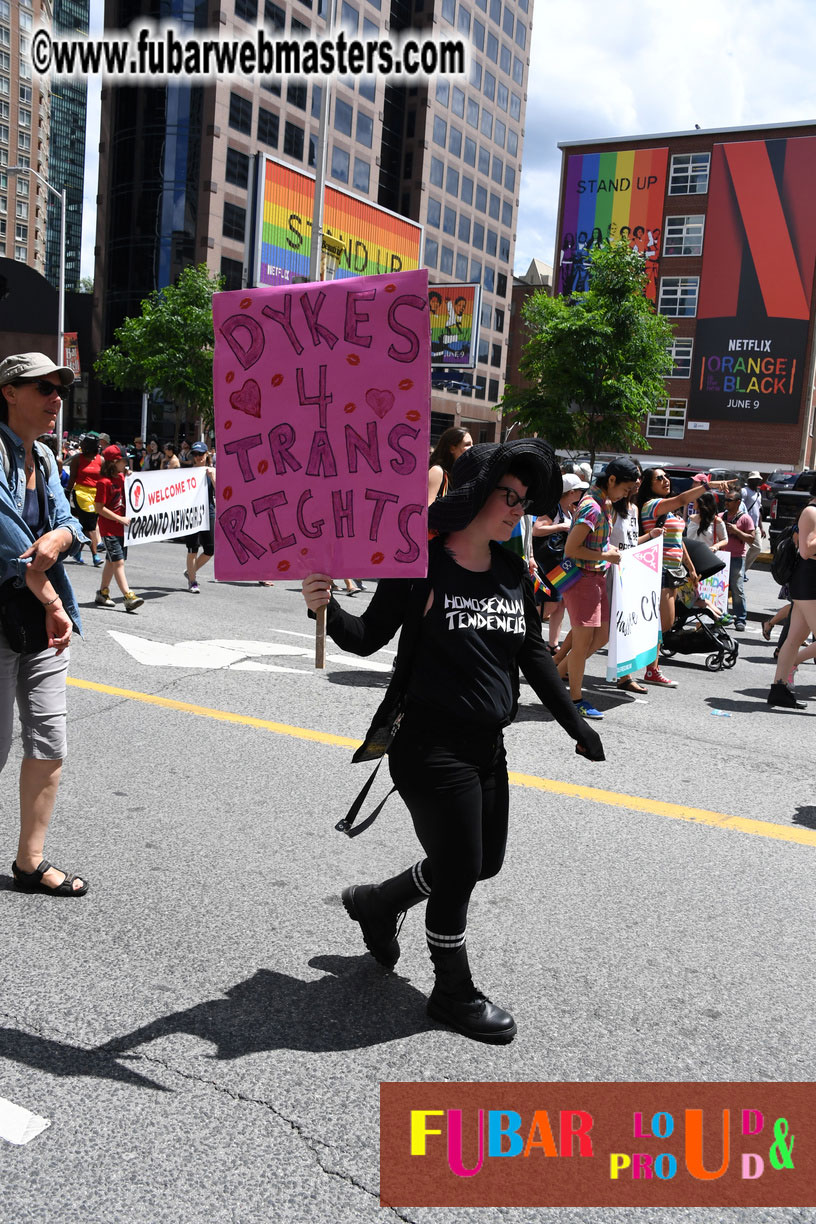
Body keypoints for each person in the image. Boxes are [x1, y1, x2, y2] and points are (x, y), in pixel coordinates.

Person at [301, 439, 604, 1044]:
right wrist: (325, 609)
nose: (517, 509)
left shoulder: (512, 572)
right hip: (428, 747)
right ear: (475, 494)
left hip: (487, 746)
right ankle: (452, 991)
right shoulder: (419, 566)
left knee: (482, 862)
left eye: (524, 500)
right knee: (460, 870)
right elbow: (366, 637)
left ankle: (379, 902)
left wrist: (577, 725)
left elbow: (533, 654)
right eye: (508, 496)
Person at [0, 352, 89, 896]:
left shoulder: (47, 458)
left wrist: (60, 536)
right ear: (9, 392)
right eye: (44, 387)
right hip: (21, 610)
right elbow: (9, 539)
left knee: (49, 740)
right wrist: (51, 596)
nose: (56, 397)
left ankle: (29, 862)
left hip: (40, 622)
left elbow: (68, 523)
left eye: (60, 388)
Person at [556, 457, 641, 719]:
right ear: (611, 480)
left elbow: (594, 543)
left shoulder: (602, 503)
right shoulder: (592, 507)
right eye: (625, 489)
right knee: (581, 644)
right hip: (582, 579)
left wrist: (607, 551)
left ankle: (555, 679)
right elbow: (571, 549)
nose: (626, 495)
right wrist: (606, 555)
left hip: (595, 578)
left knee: (603, 635)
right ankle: (574, 700)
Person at [636, 469, 732, 682]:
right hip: (658, 570)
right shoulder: (652, 505)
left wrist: (691, 568)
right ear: (649, 484)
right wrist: (709, 486)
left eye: (666, 477)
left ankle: (651, 669)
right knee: (663, 623)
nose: (665, 480)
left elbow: (678, 541)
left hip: (673, 572)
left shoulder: (668, 511)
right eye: (659, 478)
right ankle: (643, 667)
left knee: (663, 624)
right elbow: (681, 499)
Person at [768, 497, 816, 708]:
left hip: (808, 584)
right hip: (809, 582)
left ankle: (779, 689)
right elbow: (806, 550)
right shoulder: (811, 512)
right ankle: (782, 683)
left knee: (794, 639)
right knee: (794, 639)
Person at [531, 472, 586, 650]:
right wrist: (562, 526)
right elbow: (537, 530)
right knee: (551, 604)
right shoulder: (552, 508)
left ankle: (553, 644)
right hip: (550, 562)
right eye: (579, 490)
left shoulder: (568, 509)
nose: (582, 493)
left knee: (561, 603)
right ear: (571, 492)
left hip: (561, 562)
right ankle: (525, 629)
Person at [93, 444, 145, 613]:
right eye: (123, 461)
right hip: (109, 529)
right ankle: (128, 596)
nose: (126, 463)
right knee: (118, 562)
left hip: (122, 529)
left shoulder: (122, 478)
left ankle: (102, 593)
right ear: (114, 462)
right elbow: (99, 508)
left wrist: (129, 474)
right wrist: (119, 519)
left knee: (111, 561)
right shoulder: (103, 482)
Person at [182, 441, 216, 593]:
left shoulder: (212, 471)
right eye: (195, 454)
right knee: (193, 549)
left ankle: (191, 571)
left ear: (206, 454)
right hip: (192, 514)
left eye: (200, 454)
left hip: (208, 512)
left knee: (210, 549)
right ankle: (192, 581)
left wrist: (212, 477)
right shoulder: (188, 472)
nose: (198, 457)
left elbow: (221, 491)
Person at [66, 432, 104, 566]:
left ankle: (77, 552)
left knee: (85, 525)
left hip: (96, 495)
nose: (81, 445)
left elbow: (105, 478)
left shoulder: (101, 460)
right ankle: (95, 556)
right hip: (81, 493)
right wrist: (67, 492)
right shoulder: (77, 459)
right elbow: (72, 477)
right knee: (91, 526)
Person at [721, 491, 754, 632]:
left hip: (737, 557)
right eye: (725, 500)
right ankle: (721, 617)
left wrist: (736, 531)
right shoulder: (720, 516)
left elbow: (751, 539)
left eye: (729, 500)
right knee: (720, 589)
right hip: (721, 556)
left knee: (737, 589)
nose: (726, 502)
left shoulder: (745, 519)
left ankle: (740, 619)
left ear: (738, 502)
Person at [427, 427, 473, 505]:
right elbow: (427, 508)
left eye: (472, 444)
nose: (472, 448)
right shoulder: (437, 471)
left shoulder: (459, 476)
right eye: (467, 444)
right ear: (452, 448)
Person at [740, 471, 767, 573]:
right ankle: (739, 571)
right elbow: (740, 507)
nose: (757, 481)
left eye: (758, 480)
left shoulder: (758, 494)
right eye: (755, 479)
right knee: (740, 550)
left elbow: (758, 511)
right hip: (744, 526)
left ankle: (743, 570)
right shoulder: (744, 491)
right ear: (750, 480)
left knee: (757, 548)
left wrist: (761, 527)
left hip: (755, 527)